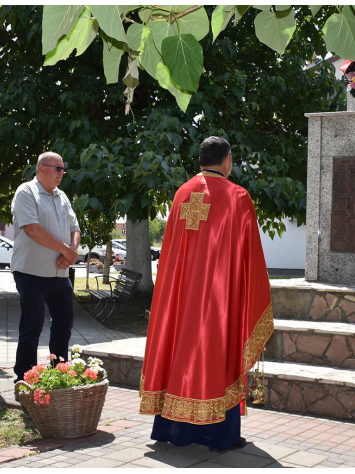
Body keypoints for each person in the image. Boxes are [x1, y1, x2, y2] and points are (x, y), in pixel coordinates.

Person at [139, 136, 274, 451]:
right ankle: (219, 435)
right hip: (216, 300)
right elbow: (249, 258)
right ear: (226, 159)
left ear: (201, 160)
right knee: (216, 356)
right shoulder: (237, 196)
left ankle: (172, 429)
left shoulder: (182, 194)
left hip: (180, 298)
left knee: (179, 353)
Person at [10, 152, 81, 382]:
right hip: (31, 272)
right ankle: (25, 377)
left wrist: (71, 251)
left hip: (60, 273)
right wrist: (65, 250)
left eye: (63, 168)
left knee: (64, 322)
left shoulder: (62, 196)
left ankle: (59, 374)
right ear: (42, 169)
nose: (62, 173)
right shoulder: (26, 192)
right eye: (58, 168)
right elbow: (31, 228)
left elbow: (75, 227)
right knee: (33, 324)